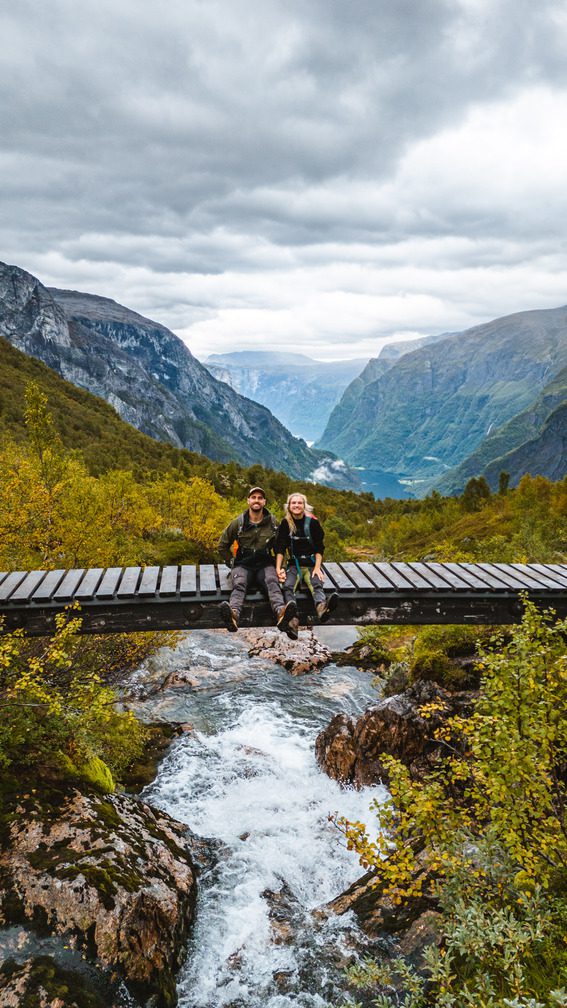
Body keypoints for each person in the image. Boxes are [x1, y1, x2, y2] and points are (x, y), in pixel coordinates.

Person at [217, 486, 297, 634]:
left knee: (272, 583)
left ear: (264, 502)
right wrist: (231, 563)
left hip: (265, 564)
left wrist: (281, 567)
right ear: (248, 501)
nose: (256, 500)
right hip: (243, 564)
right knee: (239, 584)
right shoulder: (238, 523)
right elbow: (222, 545)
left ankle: (281, 613)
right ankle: (233, 616)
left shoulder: (273, 523)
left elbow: (281, 547)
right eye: (253, 497)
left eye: (260, 498)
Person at [274, 492, 339, 639]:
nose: (296, 505)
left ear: (304, 506)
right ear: (289, 506)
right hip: (294, 565)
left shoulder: (313, 523)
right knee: (288, 586)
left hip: (310, 565)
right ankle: (292, 621)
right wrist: (278, 568)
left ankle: (322, 608)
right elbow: (280, 548)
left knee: (316, 583)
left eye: (299, 503)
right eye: (293, 503)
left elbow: (319, 548)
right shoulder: (285, 524)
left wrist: (317, 567)